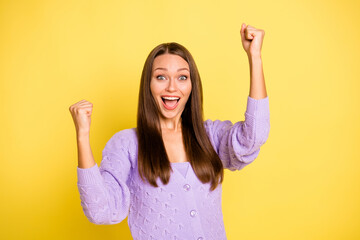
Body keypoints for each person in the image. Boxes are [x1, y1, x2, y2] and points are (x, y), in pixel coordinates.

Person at [69, 23, 270, 240]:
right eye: (161, 77)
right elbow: (100, 210)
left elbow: (254, 137)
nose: (172, 87)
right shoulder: (127, 144)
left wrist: (255, 57)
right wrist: (82, 136)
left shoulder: (208, 136)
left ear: (192, 86)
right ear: (148, 85)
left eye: (182, 77)